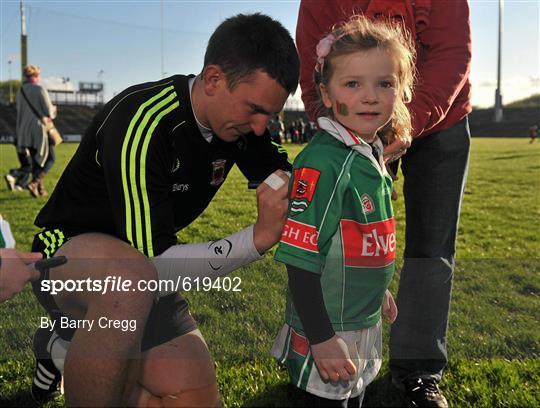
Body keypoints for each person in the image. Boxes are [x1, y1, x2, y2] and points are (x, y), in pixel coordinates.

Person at [28, 13, 299, 406]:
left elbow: (289, 181)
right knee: (129, 279)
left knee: (188, 399)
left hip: (140, 269)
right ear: (213, 80)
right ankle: (69, 336)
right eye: (254, 110)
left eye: (270, 116)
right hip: (66, 255)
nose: (261, 128)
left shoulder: (241, 126)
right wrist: (255, 241)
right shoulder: (143, 120)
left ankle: (62, 347)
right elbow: (154, 264)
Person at [297, 1, 472, 407]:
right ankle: (323, 353)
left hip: (441, 116)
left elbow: (451, 52)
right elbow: (313, 64)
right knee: (341, 239)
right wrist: (339, 136)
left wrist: (406, 117)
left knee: (432, 247)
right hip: (358, 122)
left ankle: (418, 372)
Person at [271, 15, 413, 407]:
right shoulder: (326, 162)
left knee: (355, 395)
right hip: (331, 328)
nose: (370, 96)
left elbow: (360, 236)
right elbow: (300, 260)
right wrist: (319, 336)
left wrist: (377, 289)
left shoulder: (370, 151)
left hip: (359, 318)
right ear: (327, 93)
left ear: (400, 91)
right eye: (353, 83)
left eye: (385, 83)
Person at [4, 64, 57, 197]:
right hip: (38, 128)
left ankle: (39, 189)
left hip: (24, 129)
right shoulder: (39, 89)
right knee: (50, 158)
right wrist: (54, 110)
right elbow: (48, 111)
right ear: (36, 75)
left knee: (36, 160)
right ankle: (34, 183)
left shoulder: (20, 91)